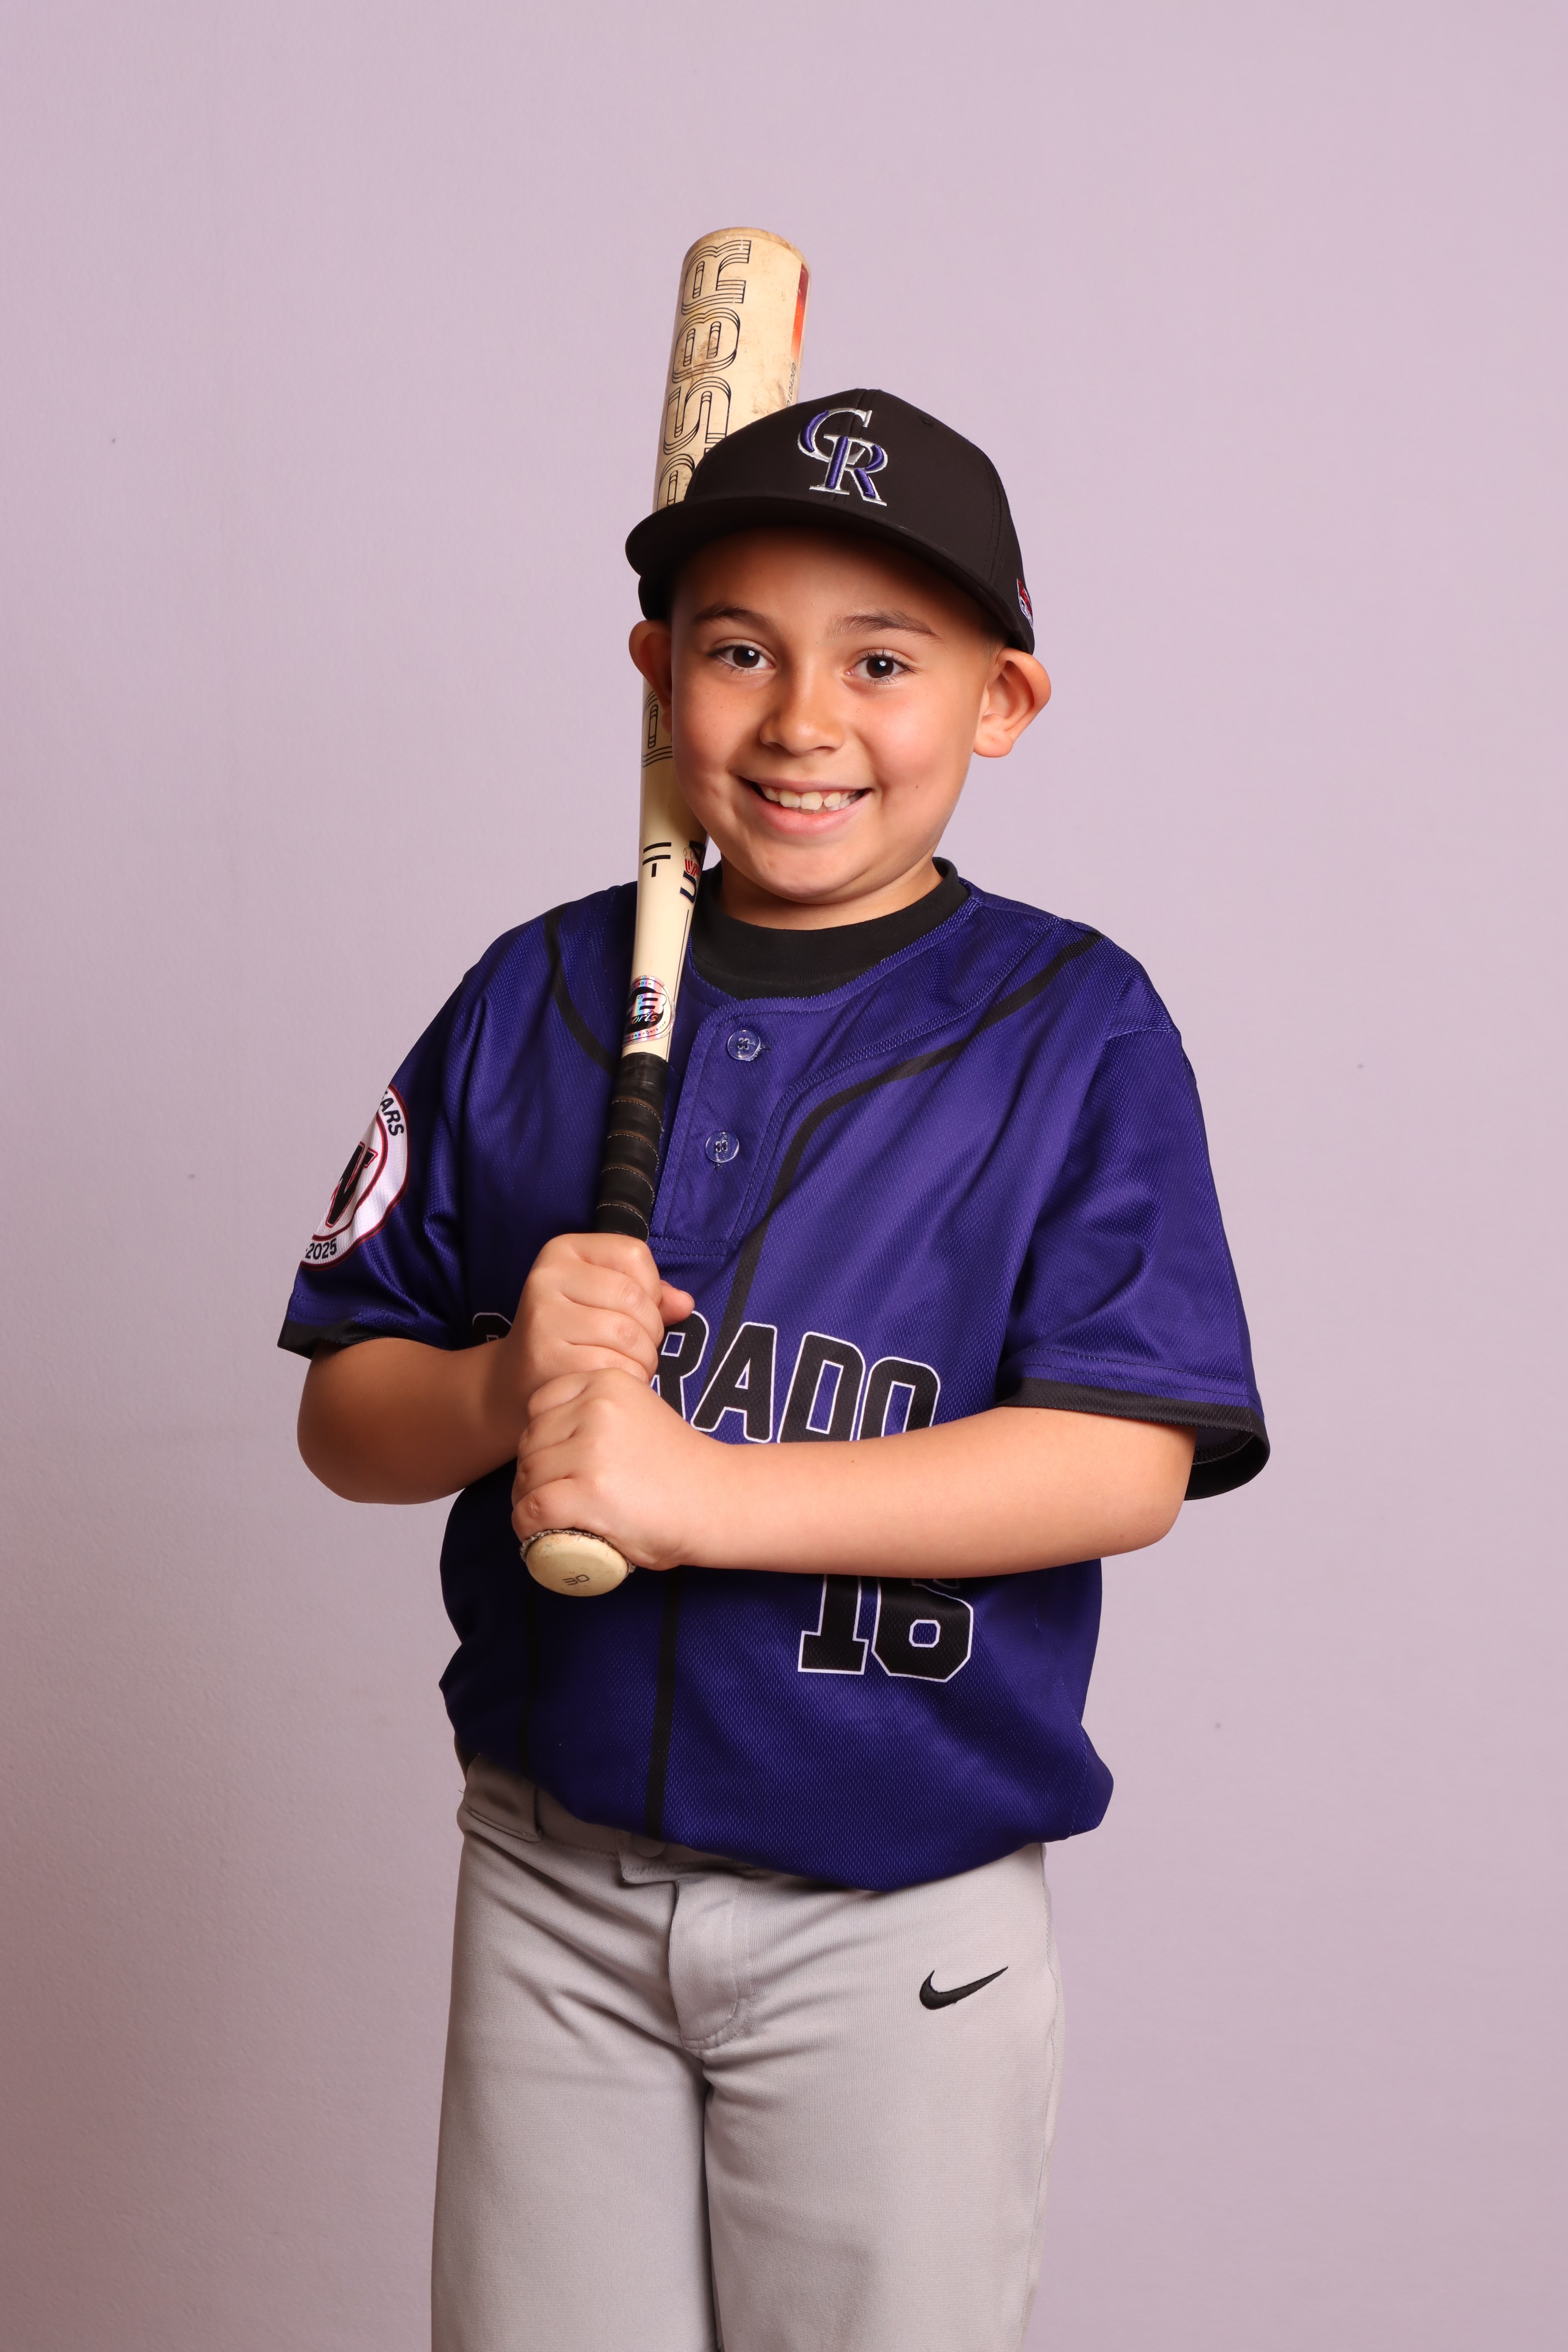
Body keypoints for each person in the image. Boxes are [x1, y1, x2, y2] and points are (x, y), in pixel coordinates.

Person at [281, 389, 1268, 2352]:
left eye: (882, 662)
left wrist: (700, 1494)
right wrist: (501, 1388)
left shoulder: (1075, 1028)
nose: (805, 719)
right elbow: (345, 1417)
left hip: (891, 1919)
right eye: (740, 651)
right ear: (659, 680)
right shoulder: (531, 994)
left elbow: (1122, 1465)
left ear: (1001, 702)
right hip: (550, 1879)